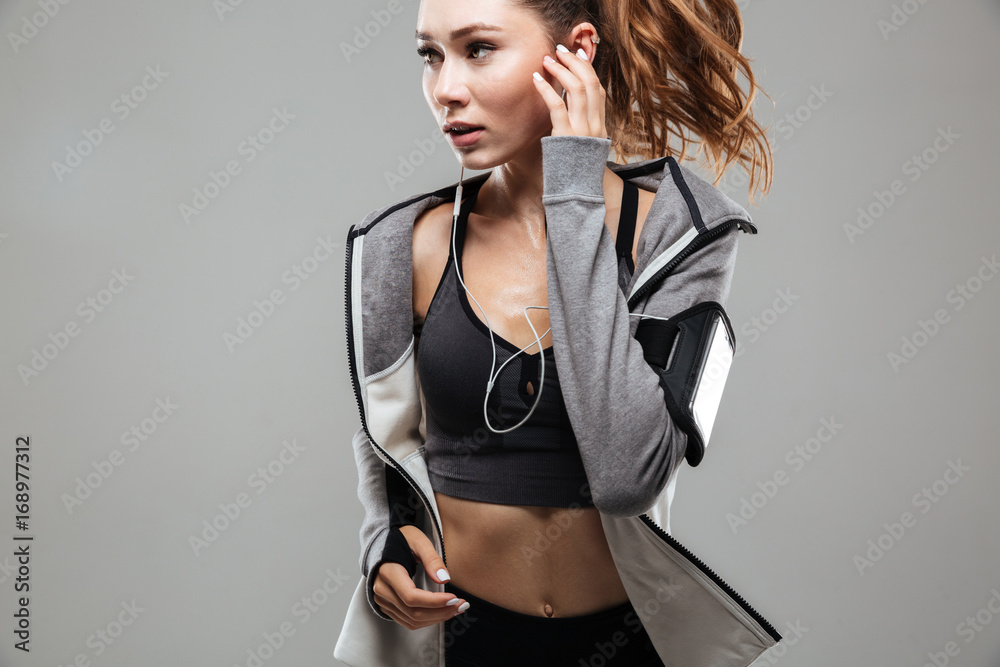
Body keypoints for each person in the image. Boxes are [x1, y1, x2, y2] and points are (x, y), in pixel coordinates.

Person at [334, 0, 778, 665]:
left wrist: (572, 187)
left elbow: (630, 473)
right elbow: (385, 437)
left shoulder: (678, 234)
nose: (445, 88)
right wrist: (386, 544)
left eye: (478, 48)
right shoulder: (406, 245)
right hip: (466, 640)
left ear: (576, 51)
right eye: (430, 54)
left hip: (624, 643)